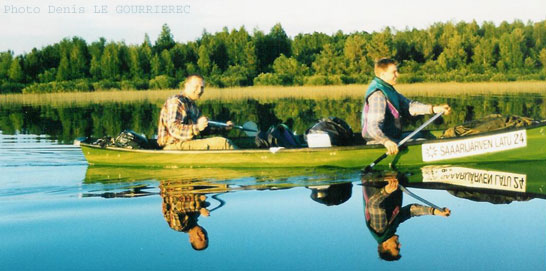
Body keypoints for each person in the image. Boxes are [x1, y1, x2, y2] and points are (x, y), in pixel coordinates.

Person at [361, 58, 452, 155]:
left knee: (422, 134)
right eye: (394, 72)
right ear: (383, 75)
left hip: (392, 137)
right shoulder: (378, 95)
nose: (398, 75)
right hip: (379, 141)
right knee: (422, 140)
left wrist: (434, 109)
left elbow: (409, 106)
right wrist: (386, 141)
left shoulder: (388, 89)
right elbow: (372, 127)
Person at [362, 173, 451, 261]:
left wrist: (386, 191)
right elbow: (410, 211)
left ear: (385, 246)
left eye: (396, 248)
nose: (399, 245)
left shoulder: (380, 229)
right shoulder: (390, 228)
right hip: (385, 178)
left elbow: (373, 204)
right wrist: (435, 211)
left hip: (376, 177)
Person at [157, 74, 236, 150]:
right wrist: (197, 127)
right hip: (173, 146)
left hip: (186, 144)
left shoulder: (192, 106)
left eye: (202, 87)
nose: (199, 91)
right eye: (196, 87)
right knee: (222, 143)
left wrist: (223, 127)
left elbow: (203, 129)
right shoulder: (176, 101)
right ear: (186, 86)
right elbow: (174, 129)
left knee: (227, 141)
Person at [160, 180, 211, 251]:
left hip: (174, 182)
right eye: (205, 237)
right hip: (189, 182)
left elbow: (175, 205)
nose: (203, 235)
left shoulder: (178, 226)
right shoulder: (195, 216)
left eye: (200, 238)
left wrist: (199, 207)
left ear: (191, 238)